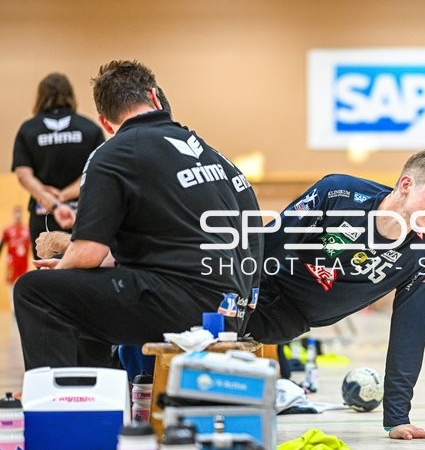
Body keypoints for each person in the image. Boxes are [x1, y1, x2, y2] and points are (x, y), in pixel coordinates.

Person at [13, 60, 262, 370]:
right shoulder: (214, 156)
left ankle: (61, 396)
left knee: (35, 291)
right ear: (155, 97)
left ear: (105, 123)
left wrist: (62, 268)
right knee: (83, 289)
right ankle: (104, 388)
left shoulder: (114, 153)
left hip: (185, 308)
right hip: (237, 310)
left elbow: (89, 253)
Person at [243, 150, 425, 441]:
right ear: (406, 185)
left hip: (287, 320)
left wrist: (397, 419)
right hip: (256, 289)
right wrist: (237, 301)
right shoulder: (338, 193)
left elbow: (411, 330)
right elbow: (269, 246)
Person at [11, 73, 105, 259]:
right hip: (83, 215)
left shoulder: (28, 129)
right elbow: (97, 172)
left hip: (43, 215)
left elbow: (24, 175)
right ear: (71, 95)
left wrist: (52, 201)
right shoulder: (90, 128)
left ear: (40, 96)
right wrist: (65, 195)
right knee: (83, 266)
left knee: (45, 270)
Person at [0, 206, 31, 311]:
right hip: (12, 265)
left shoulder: (27, 230)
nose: (18, 215)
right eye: (16, 213)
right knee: (11, 289)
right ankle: (14, 310)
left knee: (22, 287)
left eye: (19, 213)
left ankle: (20, 310)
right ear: (13, 214)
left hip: (23, 265)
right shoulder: (8, 230)